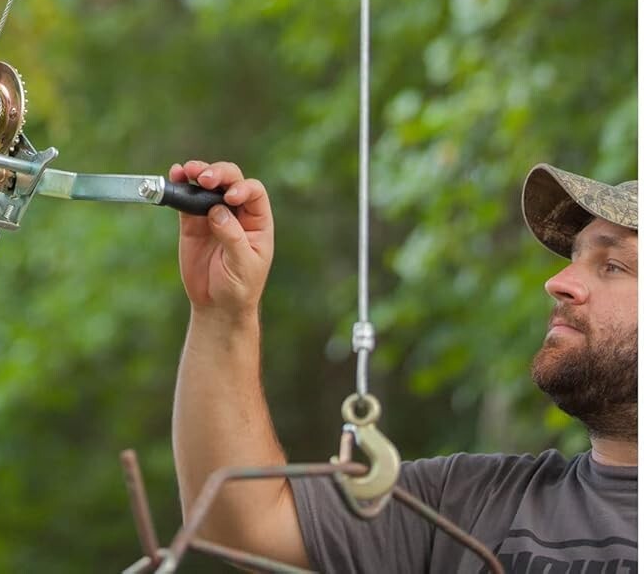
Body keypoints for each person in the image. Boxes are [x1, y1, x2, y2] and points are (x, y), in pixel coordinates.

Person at [171, 159, 637, 571]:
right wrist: (223, 312)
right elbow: (241, 523)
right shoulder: (473, 502)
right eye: (574, 257)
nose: (559, 282)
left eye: (614, 265)